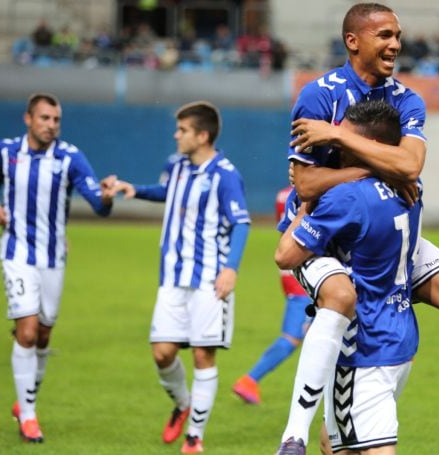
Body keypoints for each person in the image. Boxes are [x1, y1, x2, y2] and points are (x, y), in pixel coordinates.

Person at [277, 3, 439, 454]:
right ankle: (292, 438)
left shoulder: (407, 98)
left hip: (383, 228)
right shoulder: (318, 96)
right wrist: (379, 171)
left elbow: (412, 164)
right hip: (322, 238)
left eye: (398, 35)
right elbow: (304, 183)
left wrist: (341, 139)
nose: (395, 44)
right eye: (384, 35)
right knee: (342, 296)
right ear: (353, 40)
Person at [103, 101, 250, 454]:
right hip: (172, 277)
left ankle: (194, 438)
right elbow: (169, 193)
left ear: (202, 135)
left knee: (202, 356)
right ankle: (184, 404)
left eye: (182, 130)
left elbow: (241, 222)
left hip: (209, 280)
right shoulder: (176, 165)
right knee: (162, 354)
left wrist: (230, 269)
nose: (176, 134)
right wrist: (132, 189)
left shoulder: (225, 173)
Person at [277, 100, 422, 455]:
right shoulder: (411, 189)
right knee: (335, 443)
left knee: (352, 446)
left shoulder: (345, 197)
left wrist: (308, 203)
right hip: (402, 338)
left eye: (344, 142)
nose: (336, 148)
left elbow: (286, 256)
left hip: (363, 349)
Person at [0, 93, 114, 443]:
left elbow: (98, 206)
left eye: (56, 120)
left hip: (53, 257)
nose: (51, 125)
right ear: (28, 119)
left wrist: (106, 197)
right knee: (25, 331)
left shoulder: (70, 157)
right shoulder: (6, 151)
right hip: (16, 254)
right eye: (44, 118)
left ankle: (25, 400)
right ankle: (28, 416)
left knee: (43, 335)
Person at [231, 186, 313, 405]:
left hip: (287, 269)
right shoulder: (312, 193)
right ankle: (250, 379)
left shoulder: (282, 195)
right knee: (293, 336)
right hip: (304, 270)